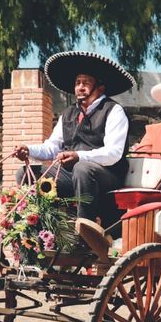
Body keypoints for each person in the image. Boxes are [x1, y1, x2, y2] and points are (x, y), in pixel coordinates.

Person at [14, 51, 135, 230]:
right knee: (24, 173)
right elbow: (52, 147)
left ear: (100, 87)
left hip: (106, 175)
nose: (80, 87)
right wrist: (29, 150)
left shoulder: (113, 111)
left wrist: (79, 156)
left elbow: (113, 154)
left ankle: (86, 228)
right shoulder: (69, 113)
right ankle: (39, 229)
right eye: (78, 83)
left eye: (86, 83)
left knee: (82, 168)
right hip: (73, 175)